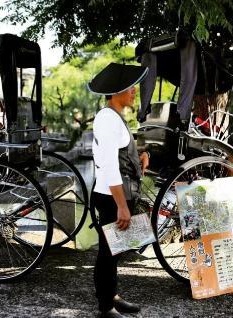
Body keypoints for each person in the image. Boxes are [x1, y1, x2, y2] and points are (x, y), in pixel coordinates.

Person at [87, 63, 150, 318]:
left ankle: (111, 295)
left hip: (117, 192)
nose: (134, 91)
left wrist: (141, 157)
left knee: (114, 249)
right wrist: (122, 205)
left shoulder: (114, 117)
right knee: (107, 251)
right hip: (112, 195)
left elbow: (121, 157)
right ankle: (105, 306)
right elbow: (110, 166)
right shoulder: (107, 119)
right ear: (115, 92)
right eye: (129, 87)